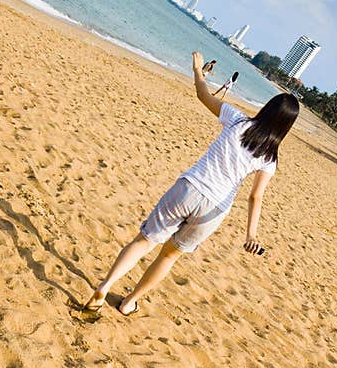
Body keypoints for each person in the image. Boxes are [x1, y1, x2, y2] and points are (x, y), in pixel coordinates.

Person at [82, 52, 299, 316]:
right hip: (214, 210)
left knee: (145, 240)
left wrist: (198, 71)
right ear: (287, 126)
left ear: (268, 108)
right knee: (169, 256)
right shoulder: (270, 157)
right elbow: (255, 197)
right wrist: (250, 235)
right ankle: (129, 303)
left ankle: (105, 287)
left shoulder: (238, 120)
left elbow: (203, 95)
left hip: (190, 188)